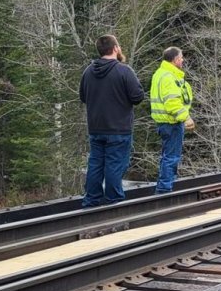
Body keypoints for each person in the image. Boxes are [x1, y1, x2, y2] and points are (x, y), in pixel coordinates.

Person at [79, 35, 146, 207]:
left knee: (95, 164)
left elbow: (83, 97)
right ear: (115, 48)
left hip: (95, 128)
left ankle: (91, 200)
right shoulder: (124, 71)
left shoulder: (88, 72)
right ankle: (113, 202)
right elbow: (138, 96)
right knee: (115, 166)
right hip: (118, 128)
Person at [150, 46, 195, 194]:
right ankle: (164, 190)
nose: (183, 60)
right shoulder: (169, 77)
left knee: (167, 156)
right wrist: (186, 118)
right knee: (171, 157)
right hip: (172, 123)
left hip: (164, 123)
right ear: (175, 59)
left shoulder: (160, 74)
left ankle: (164, 187)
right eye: (181, 57)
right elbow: (172, 103)